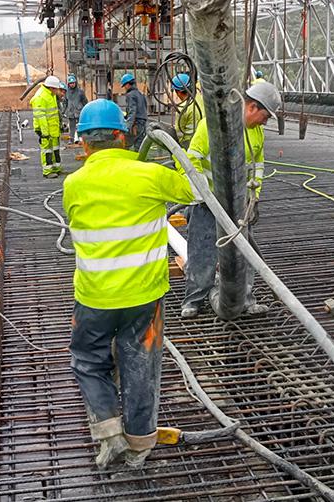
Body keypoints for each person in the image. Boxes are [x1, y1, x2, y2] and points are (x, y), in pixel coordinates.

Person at [62, 99, 196, 470]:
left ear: (84, 143)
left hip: (94, 298)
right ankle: (139, 446)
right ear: (123, 135)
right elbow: (195, 188)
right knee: (140, 367)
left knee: (89, 362)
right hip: (143, 297)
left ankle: (109, 435)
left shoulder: (73, 184)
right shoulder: (149, 176)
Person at [178, 82, 280, 319]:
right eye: (265, 116)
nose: (265, 122)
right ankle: (194, 300)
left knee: (244, 252)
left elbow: (258, 166)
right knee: (202, 251)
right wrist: (201, 192)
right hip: (207, 203)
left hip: (238, 204)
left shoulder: (256, 132)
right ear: (253, 107)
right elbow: (190, 159)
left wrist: (254, 198)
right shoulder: (212, 126)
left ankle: (244, 299)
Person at [33, 75, 67, 178]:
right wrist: (45, 133)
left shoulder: (50, 95)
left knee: (55, 149)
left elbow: (54, 113)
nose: (58, 91)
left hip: (53, 129)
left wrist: (60, 125)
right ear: (51, 87)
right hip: (45, 130)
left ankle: (56, 168)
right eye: (56, 89)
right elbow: (41, 117)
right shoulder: (40, 97)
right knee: (47, 151)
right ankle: (47, 171)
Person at [171, 73, 204, 148]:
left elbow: (179, 132)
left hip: (189, 143)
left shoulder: (182, 108)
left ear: (178, 92)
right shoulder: (199, 98)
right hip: (203, 138)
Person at [120, 72, 148, 150]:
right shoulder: (140, 94)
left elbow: (132, 111)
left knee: (125, 145)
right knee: (139, 148)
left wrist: (128, 127)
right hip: (143, 124)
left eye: (124, 86)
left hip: (135, 124)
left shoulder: (130, 95)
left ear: (128, 84)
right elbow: (144, 108)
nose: (124, 88)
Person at [62, 74, 88, 143]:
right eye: (70, 83)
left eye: (73, 83)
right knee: (71, 126)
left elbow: (85, 101)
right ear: (68, 84)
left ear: (75, 83)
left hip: (79, 111)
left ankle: (81, 139)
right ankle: (71, 139)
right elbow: (65, 102)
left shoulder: (80, 92)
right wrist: (63, 111)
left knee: (80, 126)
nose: (72, 85)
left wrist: (86, 110)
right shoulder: (66, 93)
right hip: (71, 112)